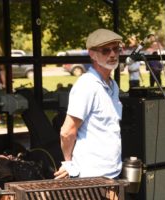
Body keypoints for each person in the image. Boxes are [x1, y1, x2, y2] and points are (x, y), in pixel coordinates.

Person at [54, 28, 123, 179]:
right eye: (106, 50)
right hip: (91, 177)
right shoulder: (87, 85)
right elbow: (67, 131)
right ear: (92, 54)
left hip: (112, 173)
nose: (112, 54)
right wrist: (68, 163)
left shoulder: (113, 85)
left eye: (116, 49)